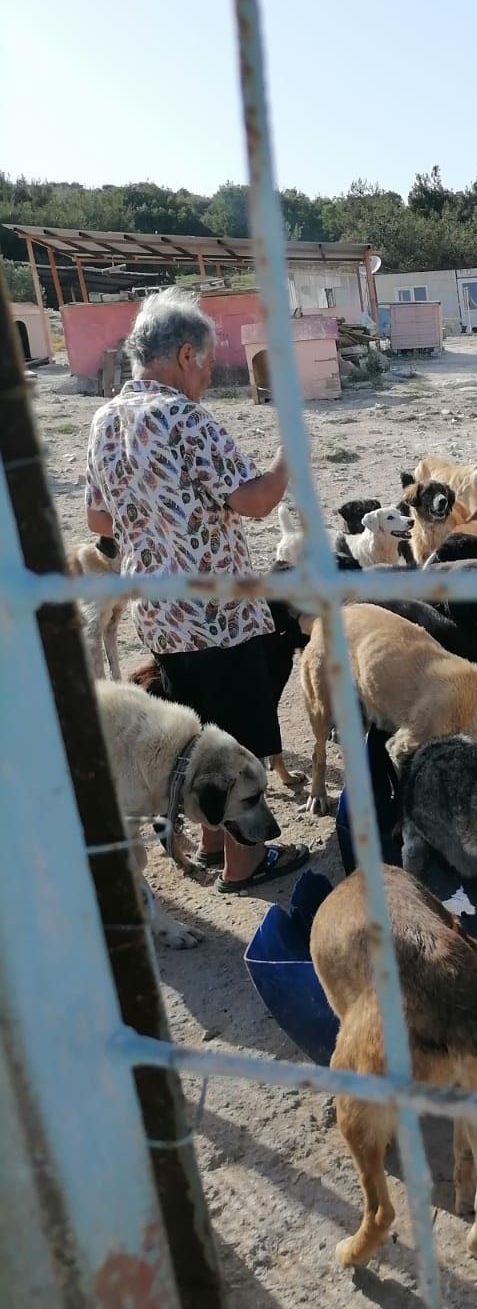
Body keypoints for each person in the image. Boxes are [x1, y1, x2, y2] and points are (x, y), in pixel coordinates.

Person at [85, 287, 310, 893]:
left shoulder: (104, 421)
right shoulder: (184, 418)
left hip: (159, 615)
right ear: (186, 354)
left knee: (198, 737)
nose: (209, 375)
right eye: (208, 363)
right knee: (234, 740)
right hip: (219, 612)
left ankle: (212, 843)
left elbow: (98, 521)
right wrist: (292, 458)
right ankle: (245, 865)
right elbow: (257, 502)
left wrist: (150, 516)